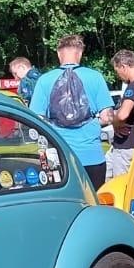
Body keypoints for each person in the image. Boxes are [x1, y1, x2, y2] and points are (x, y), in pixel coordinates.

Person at [29, 34, 116, 189]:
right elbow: (107, 116)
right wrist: (92, 123)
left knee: (63, 205)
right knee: (93, 203)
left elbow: (36, 118)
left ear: (58, 53)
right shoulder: (95, 77)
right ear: (80, 53)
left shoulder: (45, 80)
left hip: (59, 157)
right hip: (92, 156)